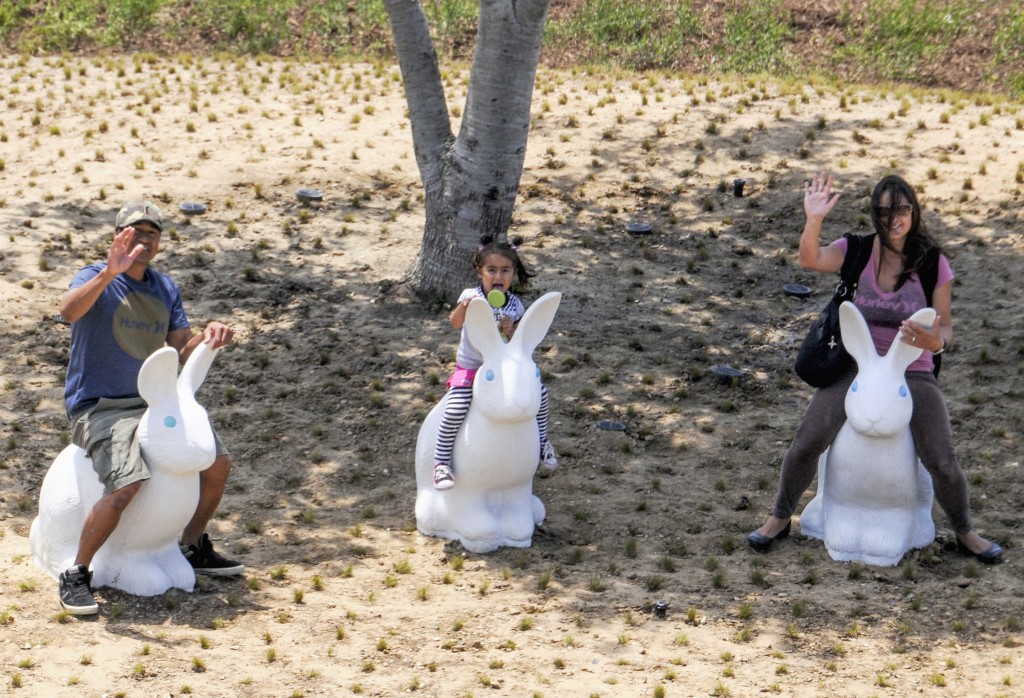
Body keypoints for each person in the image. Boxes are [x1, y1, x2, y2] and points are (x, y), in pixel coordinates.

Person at [749, 172, 1003, 564]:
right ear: (874, 215)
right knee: (808, 441)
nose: (893, 219)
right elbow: (809, 258)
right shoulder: (857, 251)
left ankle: (965, 530)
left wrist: (936, 343)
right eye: (884, 211)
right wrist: (813, 219)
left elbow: (946, 326)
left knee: (941, 458)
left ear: (913, 211)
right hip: (858, 365)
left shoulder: (934, 264)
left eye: (901, 209)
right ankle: (780, 517)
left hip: (911, 369)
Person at [56, 201, 244, 616]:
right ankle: (77, 572)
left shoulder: (164, 288)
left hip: (156, 400)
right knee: (126, 485)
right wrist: (110, 272)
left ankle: (191, 545)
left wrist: (210, 337)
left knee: (218, 463)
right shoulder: (95, 276)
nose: (143, 240)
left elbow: (180, 348)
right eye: (134, 232)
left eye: (151, 234)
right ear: (118, 236)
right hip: (102, 406)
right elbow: (68, 312)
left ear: (159, 242)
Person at [432, 236, 558, 490]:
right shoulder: (471, 296)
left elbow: (517, 341)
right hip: (472, 367)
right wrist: (465, 308)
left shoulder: (514, 304)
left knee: (540, 395)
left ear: (513, 274)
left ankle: (543, 442)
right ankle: (441, 461)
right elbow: (455, 323)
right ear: (480, 272)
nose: (498, 276)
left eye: (505, 270)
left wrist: (510, 329)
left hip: (504, 371)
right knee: (456, 407)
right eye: (491, 270)